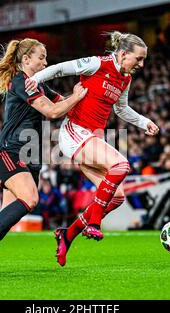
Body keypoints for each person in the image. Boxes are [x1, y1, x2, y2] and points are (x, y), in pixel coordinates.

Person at [0, 38, 88, 275]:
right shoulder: (22, 81)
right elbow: (53, 111)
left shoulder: (39, 86)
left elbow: (64, 104)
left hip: (29, 155)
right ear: (26, 59)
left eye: (46, 57)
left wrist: (88, 93)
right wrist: (76, 96)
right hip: (10, 151)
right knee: (30, 199)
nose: (46, 62)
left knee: (8, 213)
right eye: (41, 57)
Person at [26, 31, 159, 266]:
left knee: (116, 197)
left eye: (143, 60)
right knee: (121, 165)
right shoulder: (98, 63)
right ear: (123, 53)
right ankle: (94, 223)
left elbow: (121, 109)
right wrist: (35, 81)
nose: (141, 64)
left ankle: (67, 234)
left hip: (91, 137)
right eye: (138, 59)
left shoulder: (125, 79)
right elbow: (59, 69)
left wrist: (143, 121)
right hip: (73, 132)